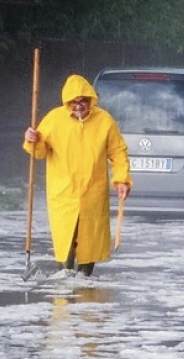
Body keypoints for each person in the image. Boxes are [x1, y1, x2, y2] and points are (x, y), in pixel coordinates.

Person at [23, 74, 132, 276]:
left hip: (93, 193)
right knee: (65, 241)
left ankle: (84, 281)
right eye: (73, 102)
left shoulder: (104, 121)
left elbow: (118, 151)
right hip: (63, 194)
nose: (78, 105)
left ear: (90, 100)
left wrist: (121, 179)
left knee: (89, 242)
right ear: (67, 102)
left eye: (83, 101)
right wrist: (32, 139)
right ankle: (65, 282)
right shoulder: (54, 120)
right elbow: (39, 152)